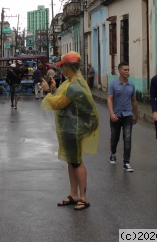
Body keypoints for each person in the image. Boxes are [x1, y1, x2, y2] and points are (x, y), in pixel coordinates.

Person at [40, 51, 99, 211]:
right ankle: (74, 194)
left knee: (77, 162)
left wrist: (46, 91)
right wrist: (54, 88)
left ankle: (83, 197)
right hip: (69, 128)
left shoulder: (74, 85)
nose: (61, 70)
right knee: (71, 161)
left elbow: (58, 103)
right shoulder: (70, 82)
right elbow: (63, 97)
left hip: (75, 129)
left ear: (69, 67)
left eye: (63, 66)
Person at [107, 62, 138, 171]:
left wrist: (136, 114)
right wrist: (112, 114)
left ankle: (126, 162)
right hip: (116, 116)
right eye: (125, 70)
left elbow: (134, 101)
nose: (127, 72)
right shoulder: (113, 84)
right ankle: (113, 153)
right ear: (119, 71)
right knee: (115, 137)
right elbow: (109, 99)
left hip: (127, 115)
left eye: (128, 70)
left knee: (128, 138)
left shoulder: (132, 85)